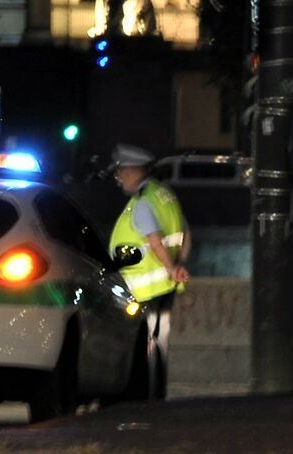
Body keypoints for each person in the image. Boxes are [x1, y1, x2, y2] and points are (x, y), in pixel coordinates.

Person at [109, 144, 187, 398]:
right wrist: (178, 266)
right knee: (160, 342)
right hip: (165, 285)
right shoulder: (165, 195)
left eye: (121, 172)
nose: (119, 178)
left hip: (145, 289)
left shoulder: (143, 202)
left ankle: (147, 398)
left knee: (147, 344)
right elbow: (186, 235)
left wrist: (171, 267)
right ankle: (156, 395)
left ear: (132, 172)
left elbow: (155, 241)